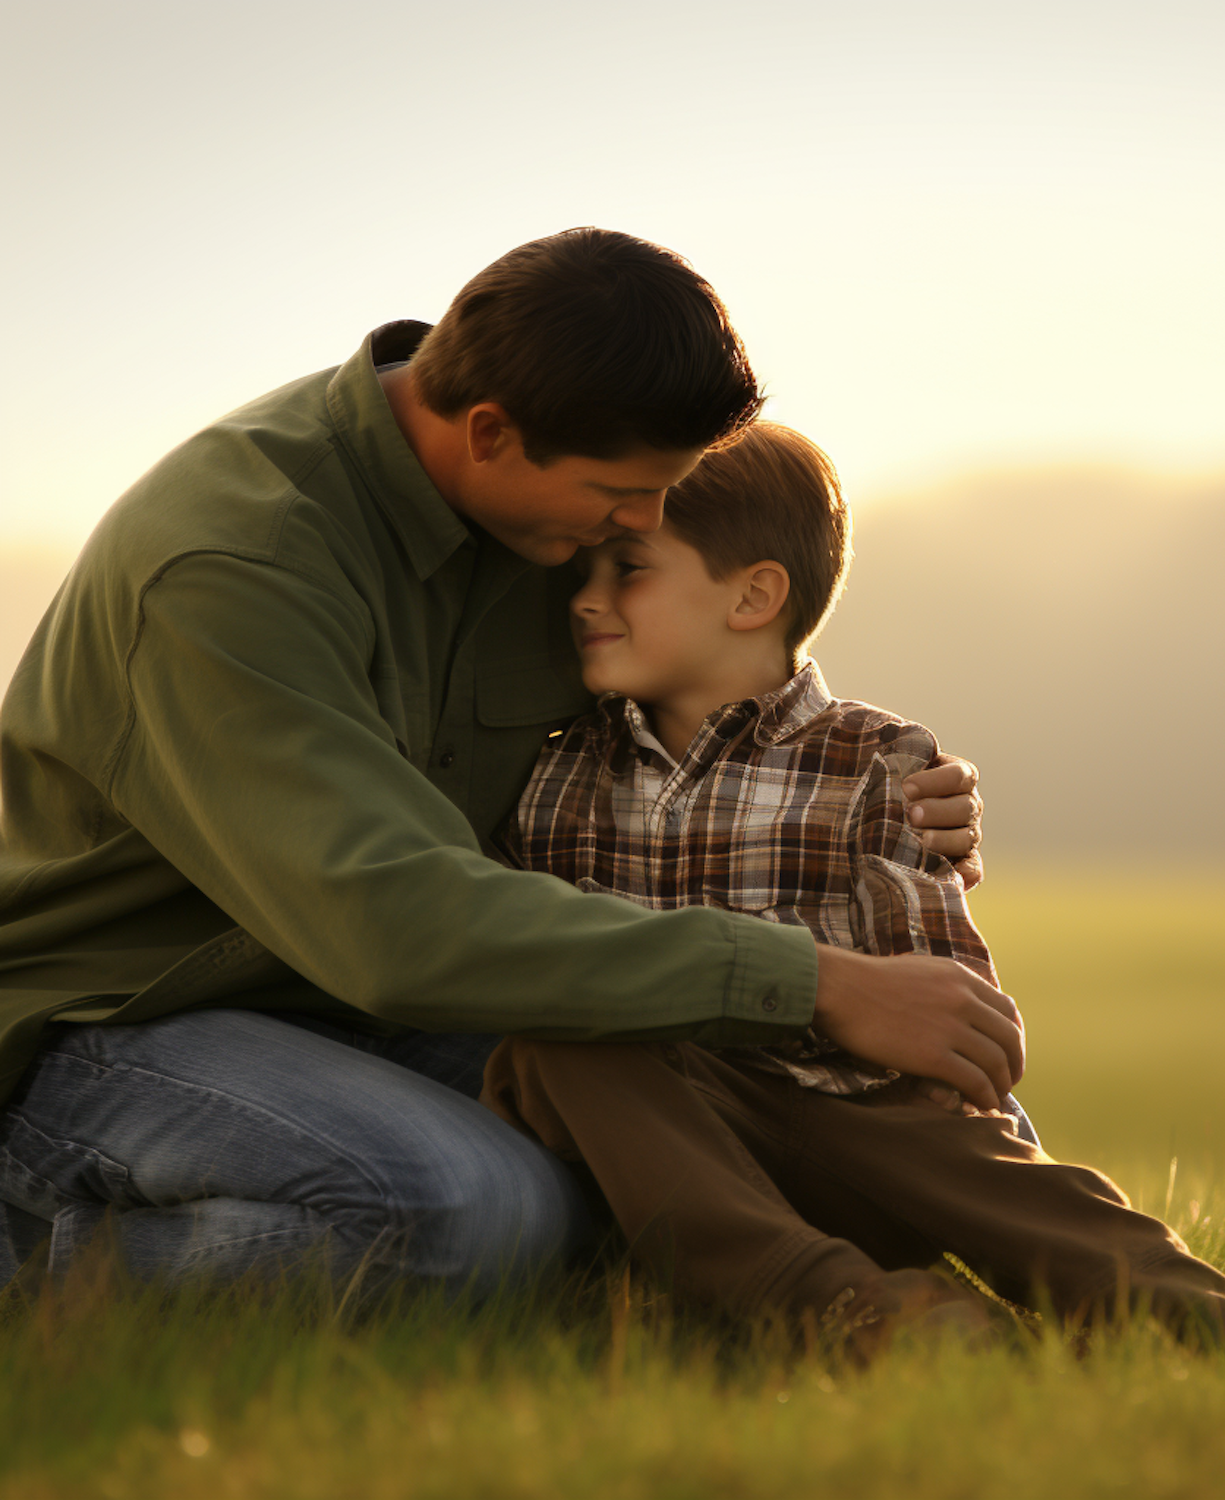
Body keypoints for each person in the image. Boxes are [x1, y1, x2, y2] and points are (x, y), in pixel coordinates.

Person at [0, 229, 995, 1294]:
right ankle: (29, 1269)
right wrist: (813, 982)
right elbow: (394, 922)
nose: (643, 522)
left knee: (736, 1134)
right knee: (467, 1209)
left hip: (384, 1006)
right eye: (623, 493)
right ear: (488, 432)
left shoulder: (543, 518)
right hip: (115, 1015)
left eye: (668, 492)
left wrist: (870, 776)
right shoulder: (228, 564)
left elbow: (708, 644)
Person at [480, 424, 1225, 1358]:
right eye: (583, 573)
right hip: (681, 1138)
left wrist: (951, 1095)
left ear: (753, 595)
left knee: (1031, 1194)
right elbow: (521, 936)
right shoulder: (561, 770)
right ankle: (852, 1312)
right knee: (558, 1050)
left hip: (848, 1111)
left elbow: (927, 956)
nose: (584, 600)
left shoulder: (874, 759)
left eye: (627, 570)